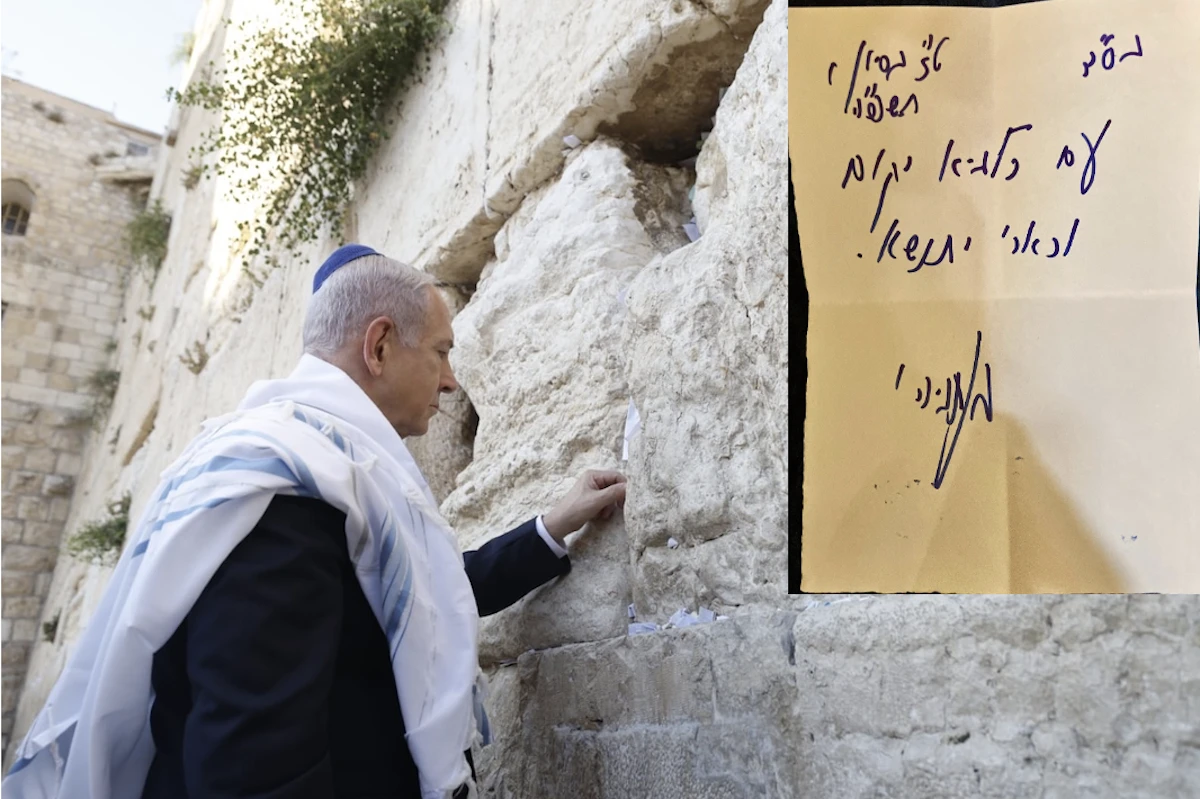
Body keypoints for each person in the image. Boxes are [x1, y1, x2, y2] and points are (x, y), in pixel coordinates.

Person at [3, 244, 627, 799]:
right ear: (379, 345)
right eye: (440, 352)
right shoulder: (284, 488)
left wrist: (550, 525)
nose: (449, 380)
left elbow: (418, 595)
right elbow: (253, 758)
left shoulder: (325, 471)